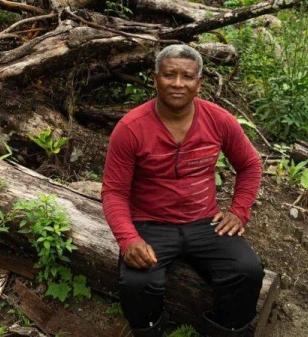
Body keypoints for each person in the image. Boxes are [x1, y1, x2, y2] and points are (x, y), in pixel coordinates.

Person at [101, 44, 264, 337]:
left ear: (199, 84)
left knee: (247, 271)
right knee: (137, 284)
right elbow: (114, 191)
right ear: (155, 79)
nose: (178, 83)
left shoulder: (219, 120)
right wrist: (128, 239)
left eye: (187, 77)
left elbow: (250, 165)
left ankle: (225, 330)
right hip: (150, 223)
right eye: (169, 75)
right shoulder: (131, 128)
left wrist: (239, 211)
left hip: (205, 221)